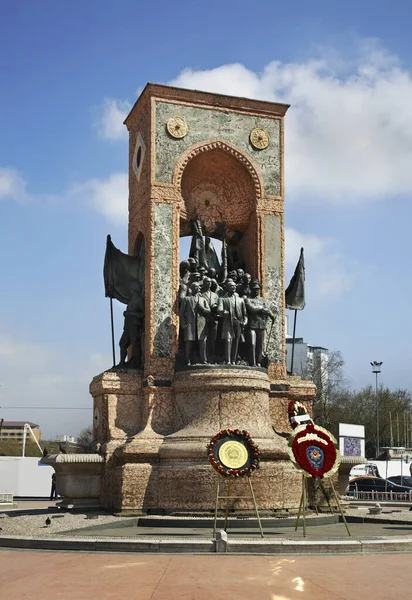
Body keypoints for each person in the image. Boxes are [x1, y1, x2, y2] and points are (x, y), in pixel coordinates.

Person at [245, 279, 275, 367]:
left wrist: (271, 315)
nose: (256, 290)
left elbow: (268, 310)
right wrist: (262, 309)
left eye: (258, 289)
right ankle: (252, 362)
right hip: (252, 325)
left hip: (261, 325)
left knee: (259, 345)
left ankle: (258, 362)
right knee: (252, 343)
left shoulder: (263, 300)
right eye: (254, 289)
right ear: (251, 289)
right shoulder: (248, 300)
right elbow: (252, 309)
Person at [179, 281, 210, 364]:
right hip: (190, 323)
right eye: (197, 287)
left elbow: (208, 311)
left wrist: (202, 309)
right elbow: (181, 313)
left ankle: (203, 359)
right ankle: (187, 359)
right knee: (189, 341)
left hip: (201, 324)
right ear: (192, 288)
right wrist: (183, 323)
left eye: (199, 287)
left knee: (202, 341)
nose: (199, 288)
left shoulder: (203, 299)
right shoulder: (186, 299)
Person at [217, 280, 247, 364]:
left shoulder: (240, 300)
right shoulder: (222, 299)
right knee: (228, 340)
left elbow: (245, 313)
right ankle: (228, 360)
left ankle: (233, 360)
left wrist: (245, 321)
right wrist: (224, 312)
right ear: (227, 288)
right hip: (227, 322)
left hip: (238, 322)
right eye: (231, 286)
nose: (234, 287)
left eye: (234, 286)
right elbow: (219, 310)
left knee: (236, 341)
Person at [118, 282, 144, 368]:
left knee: (135, 343)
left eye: (131, 290)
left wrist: (131, 314)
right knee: (122, 343)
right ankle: (122, 362)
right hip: (127, 325)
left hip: (135, 325)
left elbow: (144, 313)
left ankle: (137, 363)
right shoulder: (131, 301)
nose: (130, 292)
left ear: (135, 290)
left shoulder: (139, 300)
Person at [201, 277, 219, 362]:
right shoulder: (200, 294)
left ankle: (212, 356)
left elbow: (219, 306)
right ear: (204, 283)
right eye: (207, 282)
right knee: (204, 339)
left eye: (210, 282)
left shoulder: (215, 295)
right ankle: (205, 357)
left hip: (214, 319)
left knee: (213, 339)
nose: (209, 283)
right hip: (203, 318)